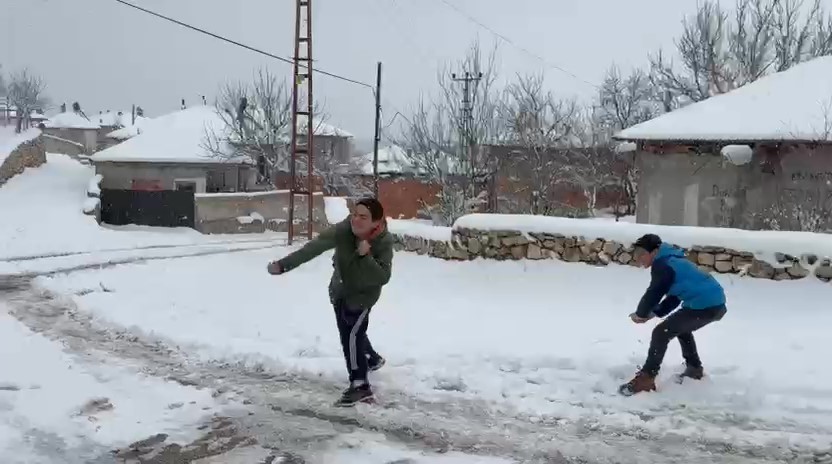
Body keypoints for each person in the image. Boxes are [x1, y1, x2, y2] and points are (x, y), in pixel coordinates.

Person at [267, 198, 394, 406]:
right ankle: (371, 359)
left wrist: (366, 256)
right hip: (341, 290)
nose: (357, 220)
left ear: (376, 221)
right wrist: (283, 265)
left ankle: (360, 385)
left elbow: (383, 276)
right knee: (351, 331)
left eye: (364, 217)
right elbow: (314, 247)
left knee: (351, 335)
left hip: (363, 296)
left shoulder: (383, 241)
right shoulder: (342, 231)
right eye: (355, 214)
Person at [619, 233, 728, 396]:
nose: (638, 258)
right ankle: (694, 368)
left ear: (654, 252)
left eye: (642, 253)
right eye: (636, 254)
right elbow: (675, 297)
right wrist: (654, 313)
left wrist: (641, 314)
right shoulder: (672, 261)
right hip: (713, 304)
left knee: (661, 332)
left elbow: (654, 292)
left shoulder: (663, 265)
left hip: (706, 305)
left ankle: (646, 379)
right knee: (679, 328)